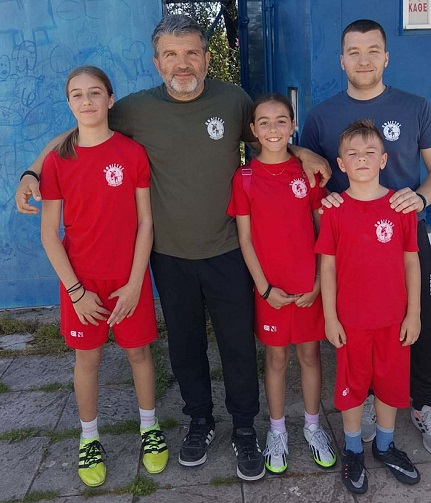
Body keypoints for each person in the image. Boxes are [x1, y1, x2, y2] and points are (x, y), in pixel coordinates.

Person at [15, 15, 330, 481]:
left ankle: (245, 428)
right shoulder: (137, 109)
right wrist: (32, 171)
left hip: (228, 249)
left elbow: (270, 136)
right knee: (185, 347)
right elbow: (78, 130)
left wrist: (303, 151)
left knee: (238, 346)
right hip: (170, 254)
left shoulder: (233, 100)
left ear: (206, 57)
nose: (182, 64)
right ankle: (199, 421)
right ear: (157, 62)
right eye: (171, 55)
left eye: (190, 54)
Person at [300, 18, 431, 456]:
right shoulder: (322, 115)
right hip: (350, 243)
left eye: (372, 51)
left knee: (417, 321)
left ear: (386, 57)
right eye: (354, 52)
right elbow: (307, 165)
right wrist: (309, 171)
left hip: (404, 236)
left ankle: (424, 404)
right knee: (358, 326)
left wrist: (420, 199)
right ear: (341, 60)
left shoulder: (415, 107)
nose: (363, 60)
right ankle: (366, 398)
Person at [39, 66, 168, 487]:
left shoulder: (131, 153)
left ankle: (149, 427)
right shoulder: (58, 160)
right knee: (87, 359)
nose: (87, 101)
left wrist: (135, 283)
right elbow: (49, 233)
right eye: (77, 94)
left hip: (128, 279)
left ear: (110, 99)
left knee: (139, 353)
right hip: (81, 282)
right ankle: (89, 437)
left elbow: (146, 222)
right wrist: (76, 292)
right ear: (69, 103)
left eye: (95, 93)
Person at [226, 93, 336, 474]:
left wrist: (319, 282)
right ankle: (276, 431)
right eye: (264, 122)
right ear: (253, 130)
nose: (273, 129)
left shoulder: (308, 174)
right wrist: (264, 289)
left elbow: (324, 231)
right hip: (270, 290)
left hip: (308, 287)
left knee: (310, 355)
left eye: (281, 121)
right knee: (275, 358)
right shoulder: (244, 178)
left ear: (293, 126)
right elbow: (245, 239)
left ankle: (312, 426)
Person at [316, 119, 421, 494]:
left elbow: (412, 261)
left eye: (370, 152)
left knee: (391, 383)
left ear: (383, 159)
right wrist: (330, 317)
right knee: (353, 385)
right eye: (353, 154)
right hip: (352, 321)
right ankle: (353, 449)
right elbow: (327, 267)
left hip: (394, 318)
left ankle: (385, 445)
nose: (362, 159)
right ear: (341, 164)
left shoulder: (400, 207)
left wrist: (414, 313)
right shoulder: (335, 210)